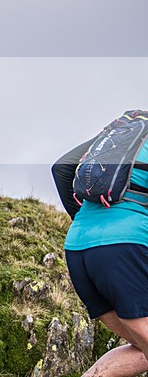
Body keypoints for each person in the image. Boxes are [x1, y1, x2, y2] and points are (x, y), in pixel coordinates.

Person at [55, 142, 148, 375]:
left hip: (78, 246)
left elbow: (62, 168)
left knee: (141, 347)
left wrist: (92, 228)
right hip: (125, 247)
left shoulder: (126, 128)